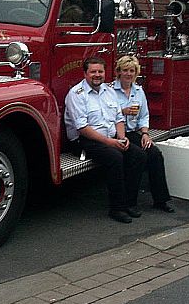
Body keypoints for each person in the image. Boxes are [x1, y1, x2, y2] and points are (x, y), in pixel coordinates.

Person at [64, 57, 146, 223]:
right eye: (93, 72)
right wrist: (111, 143)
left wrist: (122, 138)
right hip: (84, 140)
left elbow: (118, 118)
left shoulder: (109, 92)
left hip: (111, 137)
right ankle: (117, 209)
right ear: (85, 73)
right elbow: (82, 128)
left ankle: (130, 203)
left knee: (139, 156)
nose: (97, 75)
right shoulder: (76, 94)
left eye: (100, 71)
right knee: (115, 157)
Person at [112, 56, 175, 214]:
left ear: (136, 73)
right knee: (138, 156)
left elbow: (144, 115)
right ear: (118, 72)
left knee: (155, 154)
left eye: (132, 71)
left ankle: (161, 200)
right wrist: (123, 111)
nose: (128, 74)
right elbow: (104, 114)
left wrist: (145, 134)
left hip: (133, 131)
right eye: (125, 70)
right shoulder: (110, 90)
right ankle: (129, 203)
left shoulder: (138, 91)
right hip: (114, 133)